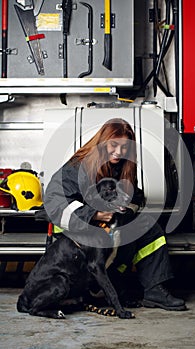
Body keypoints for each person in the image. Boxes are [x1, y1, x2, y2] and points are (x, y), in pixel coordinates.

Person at [44, 118, 186, 311]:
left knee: (148, 229)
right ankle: (107, 288)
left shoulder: (123, 166)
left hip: (106, 227)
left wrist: (125, 213)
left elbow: (134, 197)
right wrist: (94, 214)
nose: (119, 152)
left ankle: (154, 290)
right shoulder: (78, 166)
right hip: (75, 234)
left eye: (125, 147)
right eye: (114, 145)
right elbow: (54, 202)